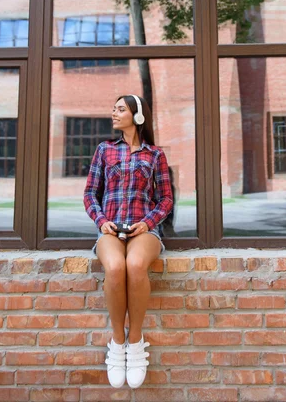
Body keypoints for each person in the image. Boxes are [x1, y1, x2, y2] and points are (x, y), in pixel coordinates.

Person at [83, 94, 173, 389]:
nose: (114, 113)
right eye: (114, 108)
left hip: (143, 230)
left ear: (137, 116)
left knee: (135, 264)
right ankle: (117, 342)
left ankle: (135, 342)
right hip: (110, 230)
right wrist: (101, 221)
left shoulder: (155, 155)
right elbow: (89, 194)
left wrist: (146, 223)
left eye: (120, 109)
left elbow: (166, 199)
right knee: (114, 267)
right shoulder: (104, 150)